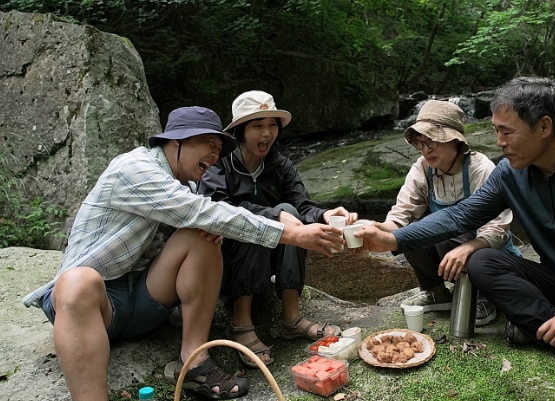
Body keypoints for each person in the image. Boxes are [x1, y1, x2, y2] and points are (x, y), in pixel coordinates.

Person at [22, 106, 345, 401]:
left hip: (145, 302)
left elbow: (212, 214)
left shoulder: (192, 183)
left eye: (219, 150)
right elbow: (203, 210)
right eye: (208, 145)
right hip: (94, 305)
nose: (215, 156)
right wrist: (294, 233)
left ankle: (193, 363)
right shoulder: (135, 169)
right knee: (79, 281)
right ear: (176, 141)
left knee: (202, 236)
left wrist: (305, 219)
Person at [355, 76, 555, 387]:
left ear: (544, 127)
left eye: (507, 132)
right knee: (482, 262)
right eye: (496, 131)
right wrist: (393, 238)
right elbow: (462, 215)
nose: (499, 142)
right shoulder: (509, 174)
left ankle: (536, 327)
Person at [198, 90, 357, 368]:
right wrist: (274, 215)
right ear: (239, 131)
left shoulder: (280, 165)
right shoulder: (219, 165)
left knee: (291, 211)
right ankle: (240, 324)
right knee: (251, 222)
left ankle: (291, 318)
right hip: (224, 262)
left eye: (272, 125)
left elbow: (302, 206)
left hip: (267, 260)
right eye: (257, 125)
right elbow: (219, 211)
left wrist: (325, 214)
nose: (266, 133)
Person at [376, 100, 520, 327]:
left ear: (455, 140)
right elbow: (400, 215)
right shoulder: (423, 169)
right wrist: (375, 231)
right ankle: (437, 293)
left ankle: (484, 297)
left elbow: (497, 230)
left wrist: (468, 248)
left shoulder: (481, 169)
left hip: (490, 254)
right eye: (420, 143)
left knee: (450, 236)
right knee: (410, 233)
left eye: (431, 142)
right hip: (450, 248)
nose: (425, 150)